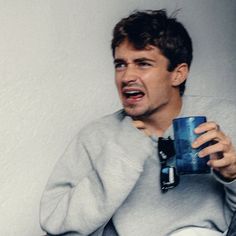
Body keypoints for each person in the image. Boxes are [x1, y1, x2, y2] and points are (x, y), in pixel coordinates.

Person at [39, 9, 236, 236]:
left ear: (178, 74)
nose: (126, 77)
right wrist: (122, 155)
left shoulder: (225, 118)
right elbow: (55, 223)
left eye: (143, 63)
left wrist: (233, 176)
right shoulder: (96, 137)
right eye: (120, 64)